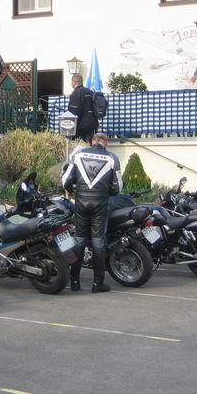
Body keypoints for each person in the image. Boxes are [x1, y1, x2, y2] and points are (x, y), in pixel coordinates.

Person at [62, 132, 120, 293]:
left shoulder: (78, 155)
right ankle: (97, 284)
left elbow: (65, 181)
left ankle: (74, 282)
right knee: (98, 242)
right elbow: (117, 188)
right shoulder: (112, 158)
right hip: (100, 204)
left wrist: (74, 190)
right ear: (105, 142)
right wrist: (106, 192)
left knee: (79, 240)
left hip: (81, 202)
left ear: (92, 141)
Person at [67, 74, 98, 143]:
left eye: (71, 82)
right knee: (89, 145)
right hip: (91, 124)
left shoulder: (75, 93)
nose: (71, 84)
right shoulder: (89, 91)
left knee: (79, 147)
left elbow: (74, 112)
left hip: (81, 127)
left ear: (74, 82)